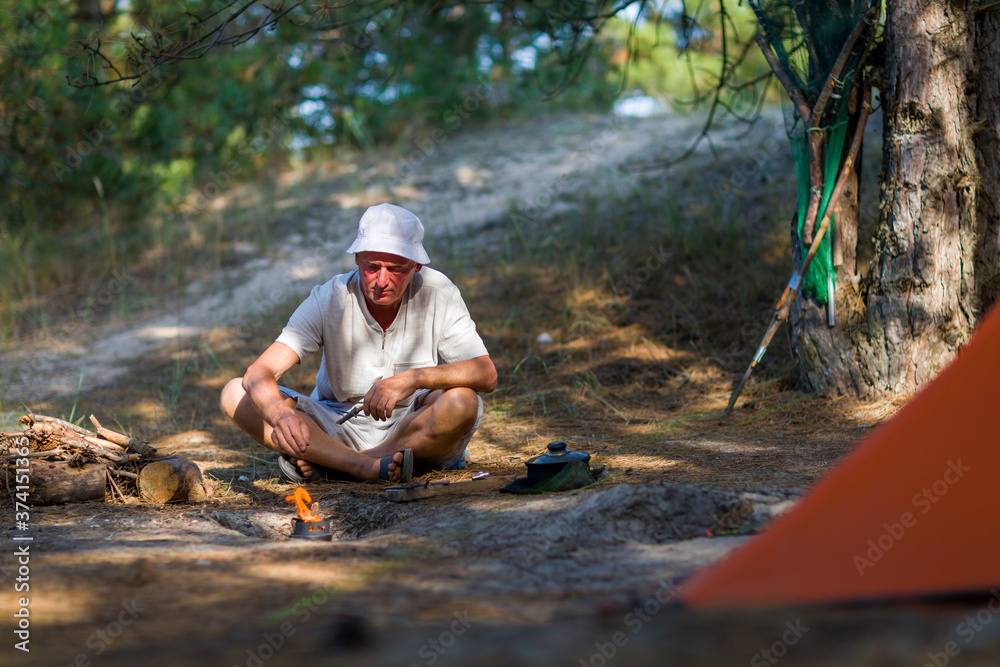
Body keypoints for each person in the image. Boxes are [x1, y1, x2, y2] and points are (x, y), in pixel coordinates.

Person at [220, 203, 497, 484]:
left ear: (416, 266)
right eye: (372, 267)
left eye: (396, 269)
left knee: (463, 401)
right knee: (234, 393)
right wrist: (280, 415)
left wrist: (414, 378)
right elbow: (259, 372)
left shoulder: (438, 291)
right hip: (336, 426)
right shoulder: (330, 298)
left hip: (414, 428)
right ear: (356, 259)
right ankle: (364, 466)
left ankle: (341, 463)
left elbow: (485, 374)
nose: (382, 280)